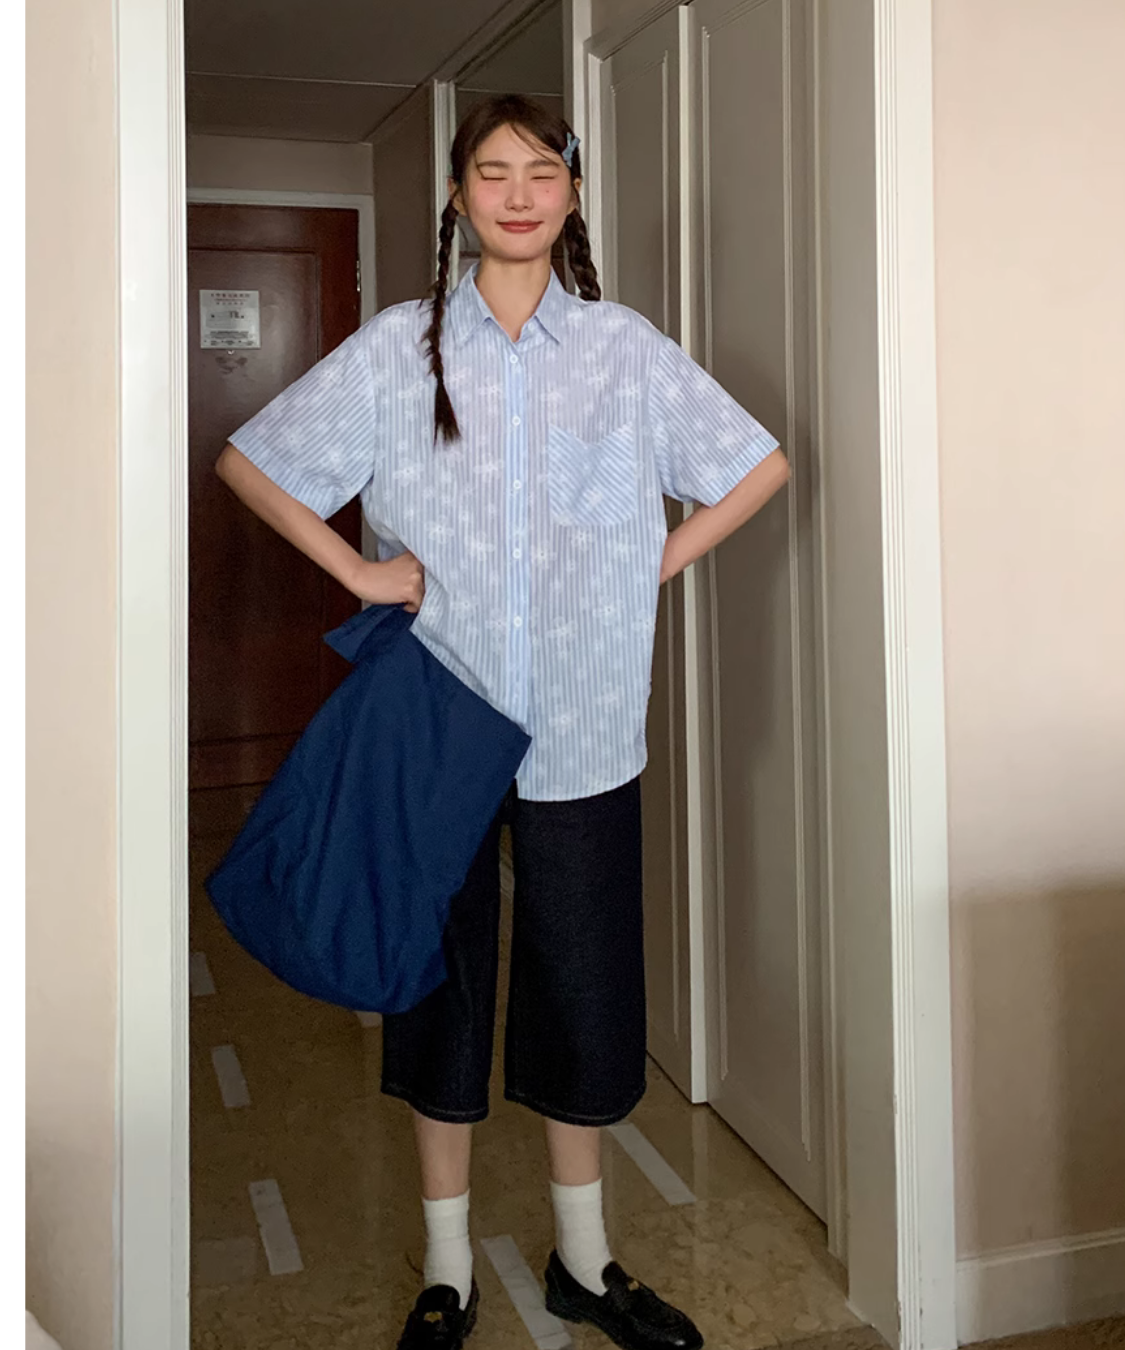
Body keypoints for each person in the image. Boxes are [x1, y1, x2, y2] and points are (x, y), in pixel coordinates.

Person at [216, 94, 789, 1350]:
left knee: (584, 996)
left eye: (541, 172)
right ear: (458, 196)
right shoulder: (400, 348)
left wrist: (649, 561)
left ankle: (585, 1262)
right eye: (492, 172)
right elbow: (253, 461)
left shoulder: (625, 350)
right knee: (442, 998)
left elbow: (758, 465)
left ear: (572, 194)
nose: (518, 194)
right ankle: (446, 1272)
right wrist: (362, 572)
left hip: (586, 732)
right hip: (442, 725)